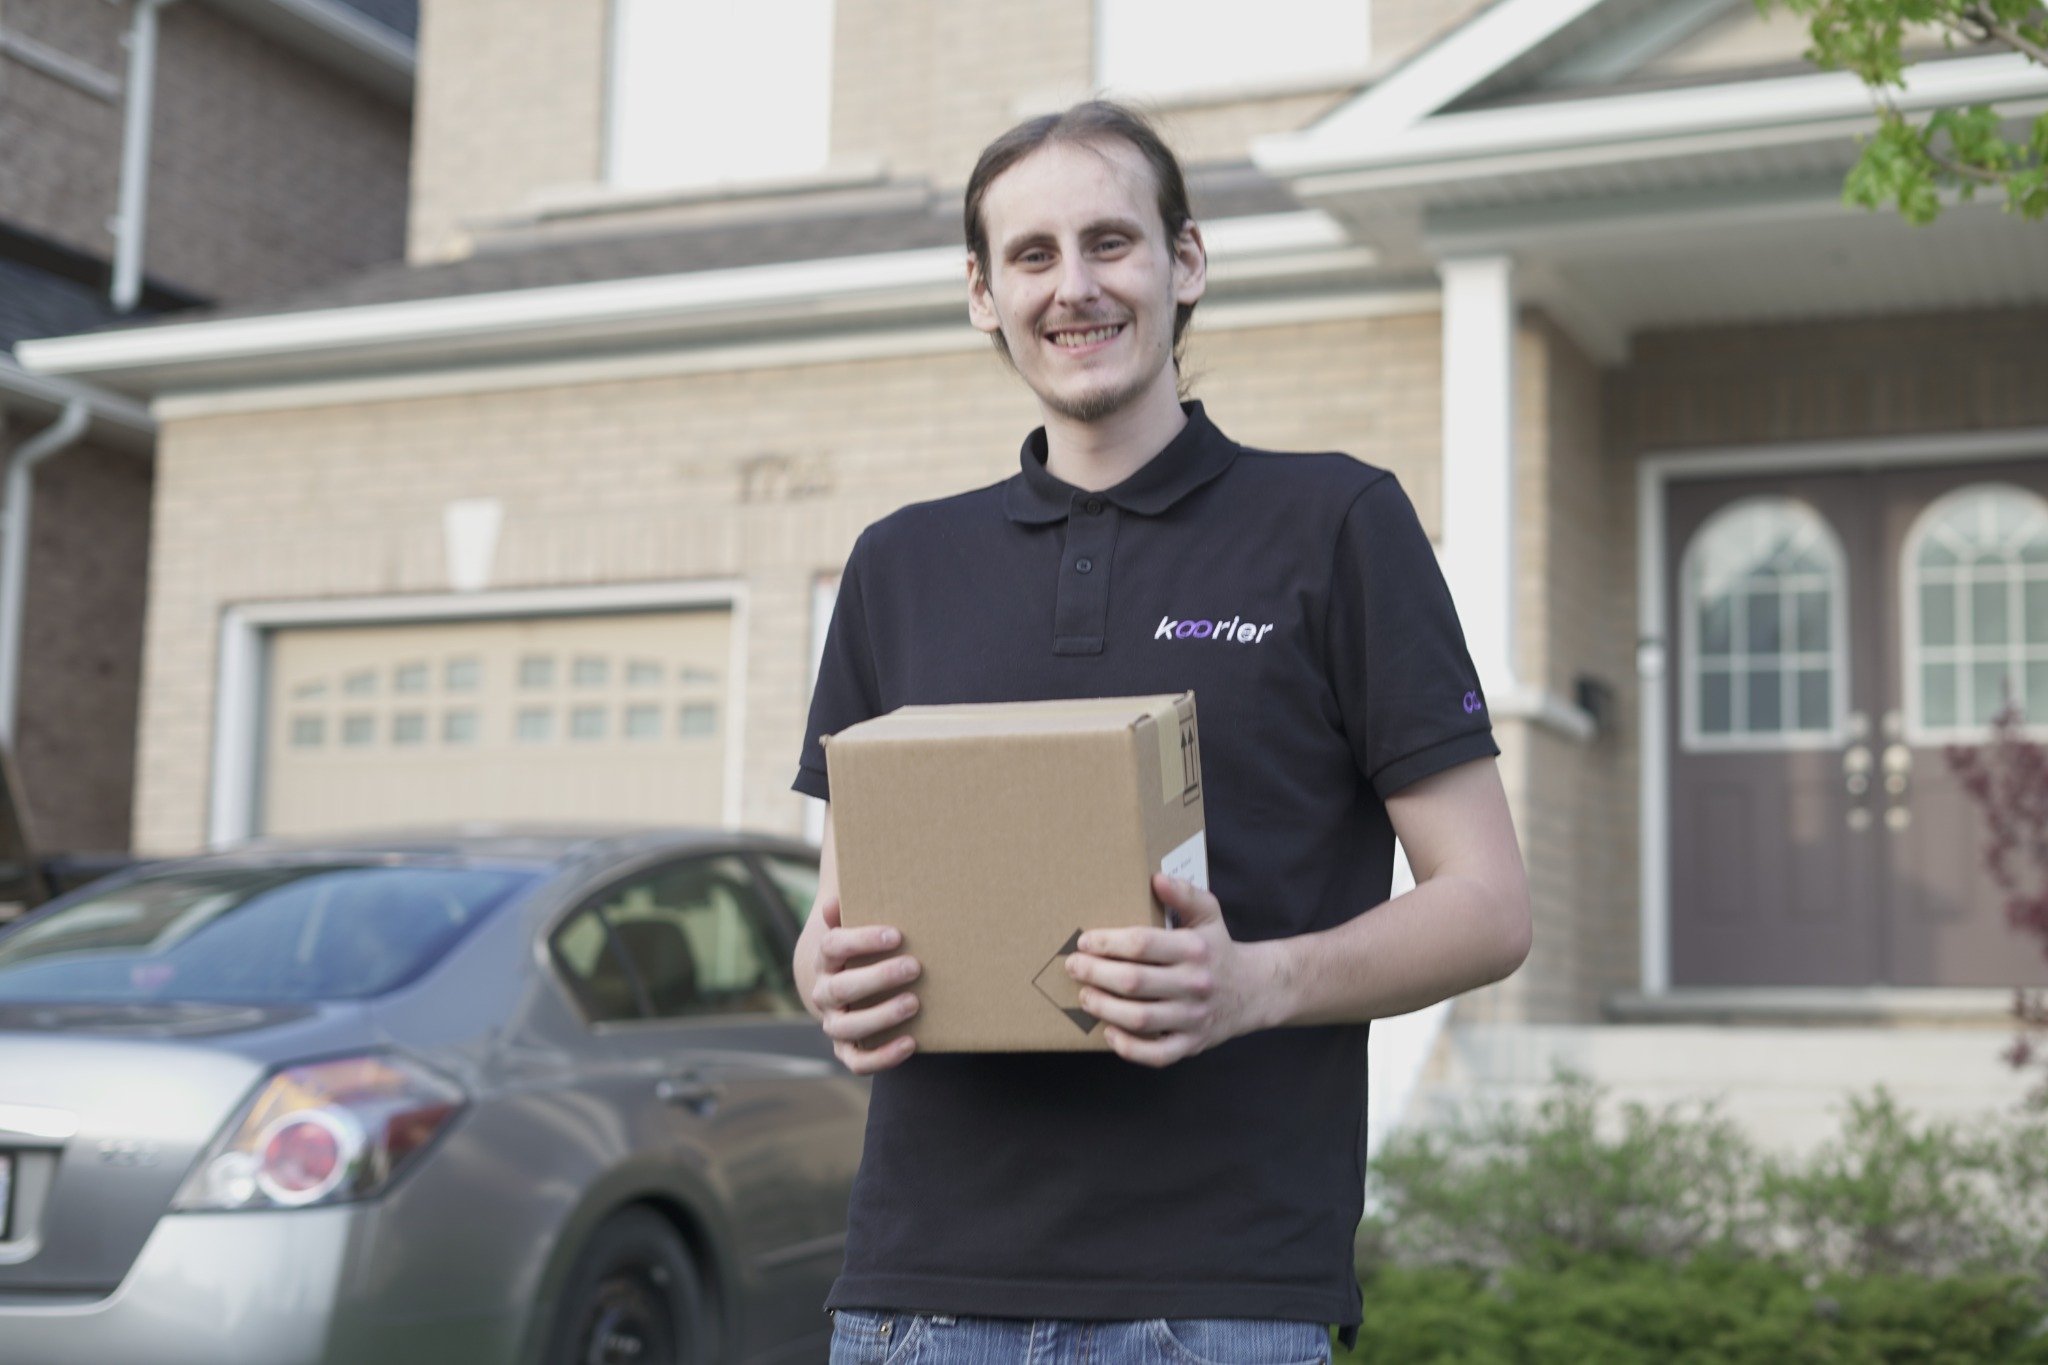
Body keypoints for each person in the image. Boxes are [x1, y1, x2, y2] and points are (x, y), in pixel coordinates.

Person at [791, 101, 1530, 1364]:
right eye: (1030, 256)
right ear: (980, 293)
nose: (1072, 288)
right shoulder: (898, 564)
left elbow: (1487, 906)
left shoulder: (1336, 523)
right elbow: (842, 918)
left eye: (1108, 242)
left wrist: (1256, 983)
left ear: (1182, 263)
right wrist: (829, 983)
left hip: (1219, 1295)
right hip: (918, 1292)